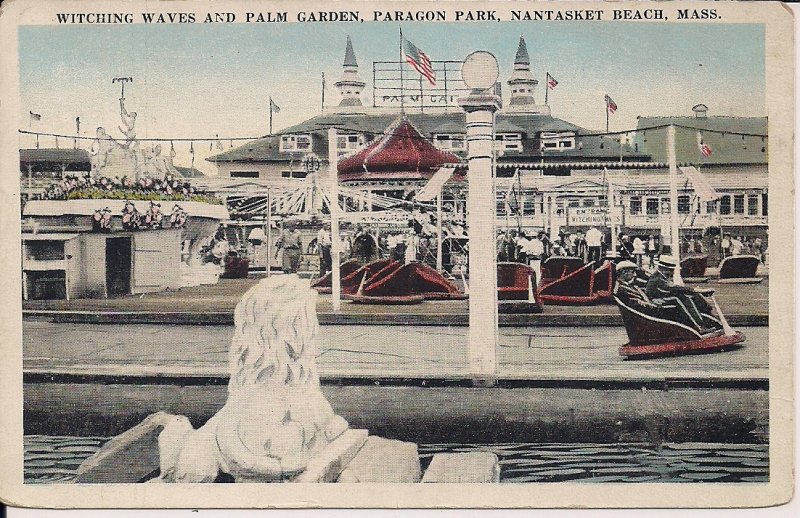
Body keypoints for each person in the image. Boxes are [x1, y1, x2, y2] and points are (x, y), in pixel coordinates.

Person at [645, 256, 715, 334]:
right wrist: (697, 290)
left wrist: (697, 292)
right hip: (656, 300)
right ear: (662, 268)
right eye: (670, 270)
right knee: (679, 298)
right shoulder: (658, 278)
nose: (672, 272)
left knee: (690, 296)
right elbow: (675, 288)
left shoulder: (661, 276)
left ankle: (706, 316)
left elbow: (674, 288)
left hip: (661, 297)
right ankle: (698, 326)